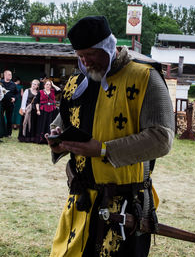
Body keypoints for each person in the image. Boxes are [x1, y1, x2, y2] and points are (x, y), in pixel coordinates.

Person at [46, 16, 175, 257]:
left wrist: (104, 149)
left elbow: (162, 138)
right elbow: (61, 124)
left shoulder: (145, 77)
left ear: (108, 46)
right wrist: (57, 140)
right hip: (80, 202)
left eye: (91, 54)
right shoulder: (76, 83)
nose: (85, 61)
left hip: (122, 205)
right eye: (80, 55)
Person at [35, 79, 61, 144]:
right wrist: (38, 110)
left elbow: (59, 90)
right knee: (43, 124)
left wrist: (53, 85)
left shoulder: (53, 91)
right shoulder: (40, 92)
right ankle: (42, 139)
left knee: (50, 124)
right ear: (44, 85)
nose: (48, 86)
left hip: (52, 110)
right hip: (43, 110)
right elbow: (36, 102)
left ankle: (50, 139)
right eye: (47, 84)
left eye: (49, 85)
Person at [1, 70, 18, 137]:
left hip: (10, 104)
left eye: (11, 74)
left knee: (9, 118)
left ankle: (8, 133)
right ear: (5, 75)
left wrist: (15, 98)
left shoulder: (13, 84)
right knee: (1, 118)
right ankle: (1, 133)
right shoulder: (0, 82)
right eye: (9, 74)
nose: (10, 76)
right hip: (1, 103)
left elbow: (17, 94)